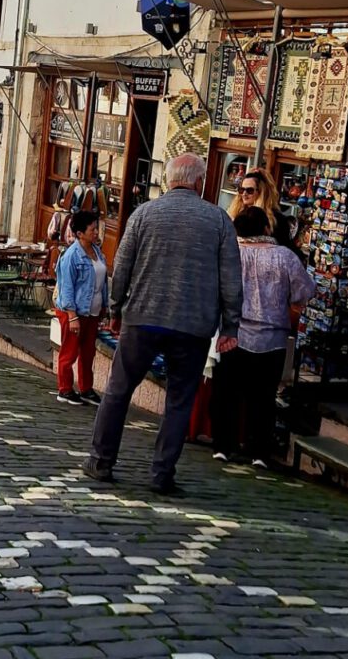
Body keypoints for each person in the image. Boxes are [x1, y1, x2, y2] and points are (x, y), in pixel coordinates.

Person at [86, 153, 242, 495]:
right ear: (199, 182)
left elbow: (122, 266)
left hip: (143, 318)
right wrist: (230, 327)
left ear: (167, 180)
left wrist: (115, 310)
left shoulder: (144, 214)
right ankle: (161, 473)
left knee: (118, 390)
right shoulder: (218, 220)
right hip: (193, 325)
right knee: (179, 400)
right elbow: (232, 279)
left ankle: (101, 461)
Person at [212, 207, 315, 468]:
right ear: (266, 228)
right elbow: (305, 291)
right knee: (264, 397)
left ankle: (224, 446)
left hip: (234, 333)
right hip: (272, 339)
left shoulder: (231, 253)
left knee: (228, 393)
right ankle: (259, 452)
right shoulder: (284, 257)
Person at [53, 211, 107, 407]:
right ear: (80, 233)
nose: (96, 232)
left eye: (96, 228)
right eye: (92, 229)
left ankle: (86, 388)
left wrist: (104, 307)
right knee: (70, 351)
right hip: (75, 312)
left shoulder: (97, 251)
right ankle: (65, 389)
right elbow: (66, 287)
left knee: (88, 352)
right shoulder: (71, 256)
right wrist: (72, 316)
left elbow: (101, 282)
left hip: (92, 312)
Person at [227, 167, 295, 249]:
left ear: (261, 192)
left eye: (250, 190)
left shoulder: (276, 219)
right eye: (241, 190)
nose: (244, 194)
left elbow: (283, 248)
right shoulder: (235, 212)